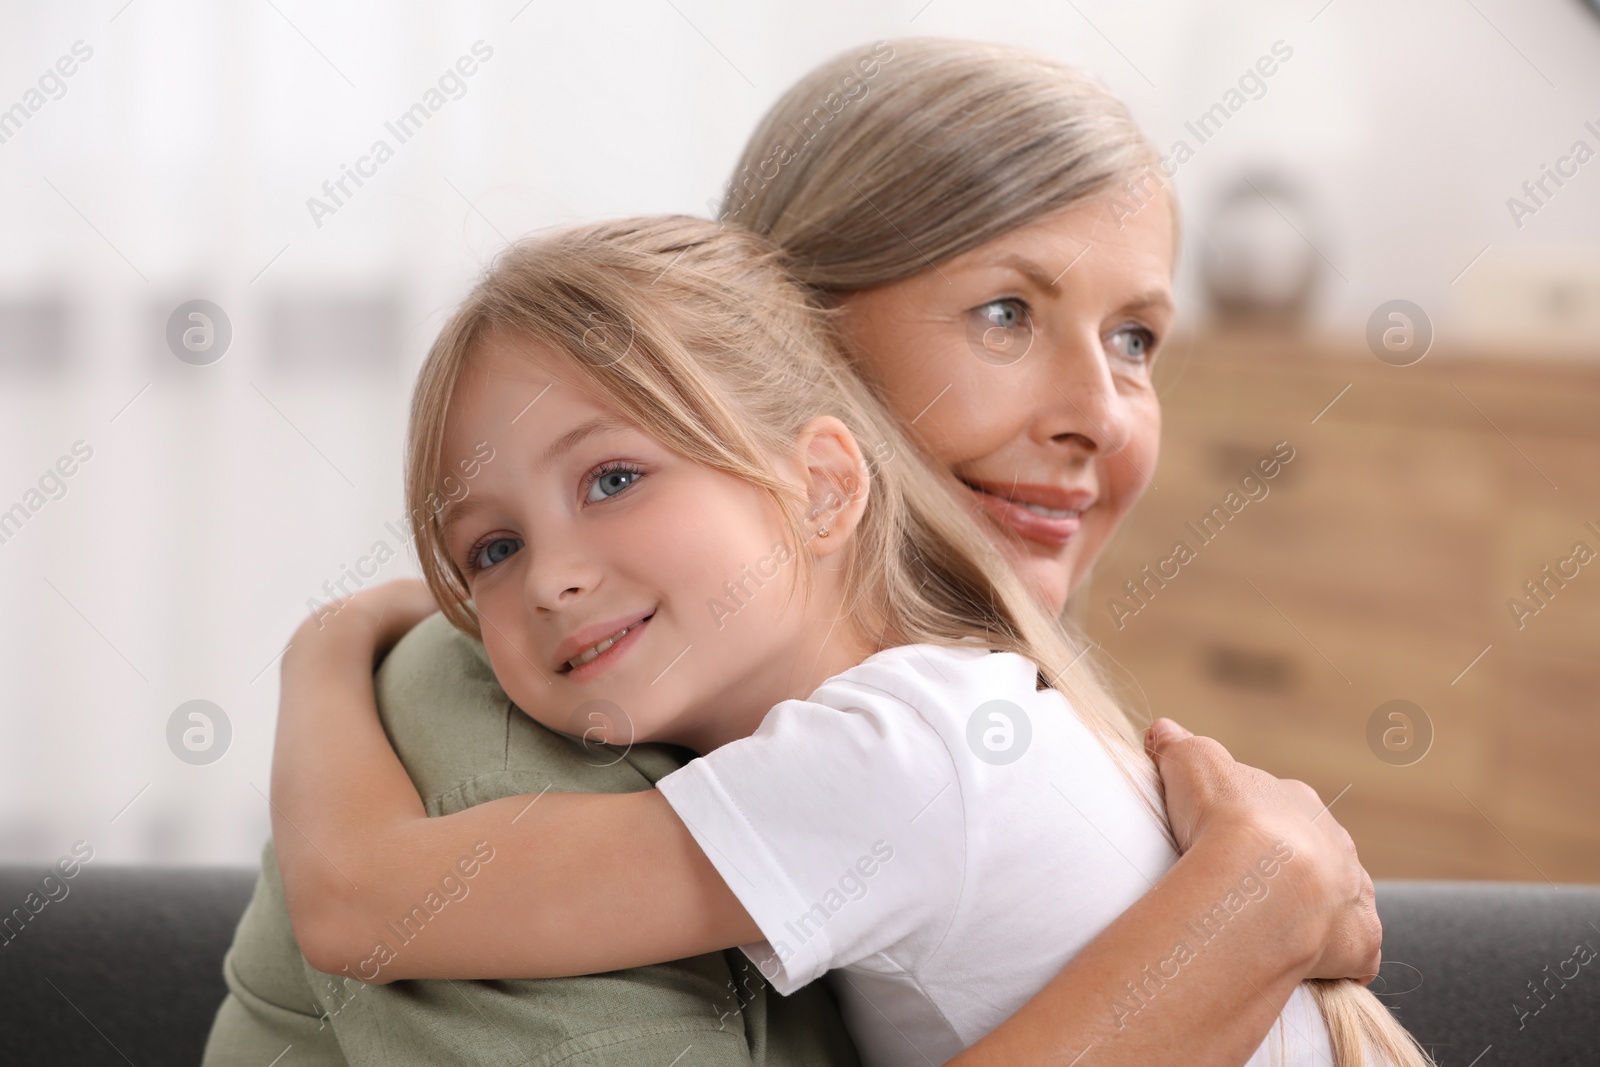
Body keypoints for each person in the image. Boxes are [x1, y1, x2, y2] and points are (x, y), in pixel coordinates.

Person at [203, 38, 1382, 1067]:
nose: (1101, 412)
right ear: (797, 335)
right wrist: (1255, 903)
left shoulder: (892, 750)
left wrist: (323, 641)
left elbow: (362, 899)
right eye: (1005, 312)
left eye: (1136, 338)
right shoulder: (917, 728)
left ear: (825, 479)